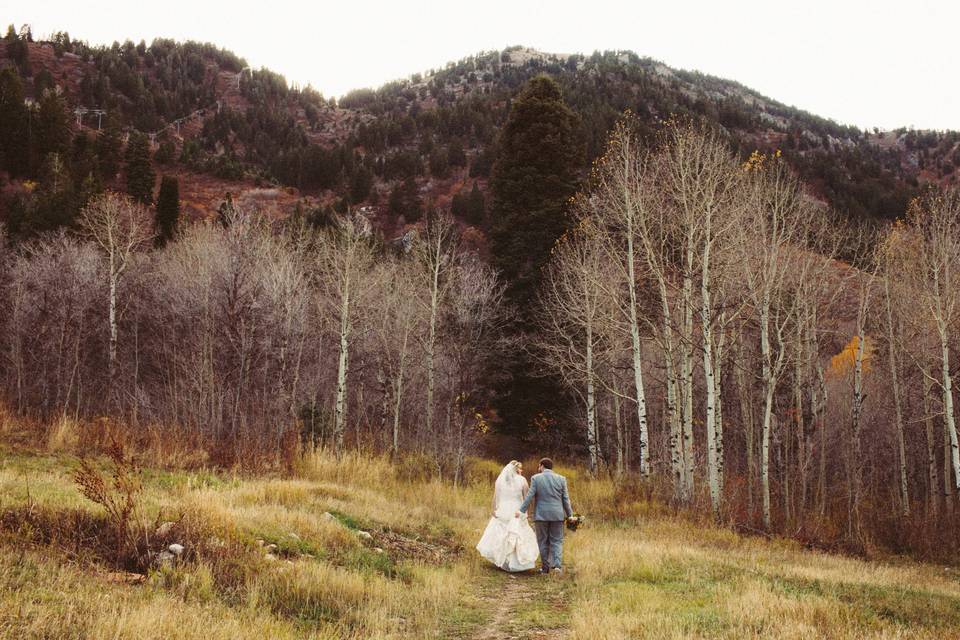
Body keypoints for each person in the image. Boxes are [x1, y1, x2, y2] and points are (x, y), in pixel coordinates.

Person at [476, 460, 540, 572]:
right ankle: (514, 562)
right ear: (515, 469)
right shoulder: (522, 480)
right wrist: (527, 512)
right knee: (515, 533)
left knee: (503, 534)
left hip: (503, 508)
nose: (521, 470)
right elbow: (527, 497)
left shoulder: (500, 481)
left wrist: (494, 509)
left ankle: (504, 560)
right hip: (517, 509)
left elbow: (495, 497)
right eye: (520, 468)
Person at [516, 457, 573, 574]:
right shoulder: (561, 479)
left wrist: (521, 510)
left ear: (542, 466)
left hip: (541, 515)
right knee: (557, 541)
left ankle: (545, 568)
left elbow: (529, 496)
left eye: (539, 466)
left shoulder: (536, 478)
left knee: (542, 541)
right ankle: (557, 566)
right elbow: (566, 499)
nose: (538, 468)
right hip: (557, 515)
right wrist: (570, 515)